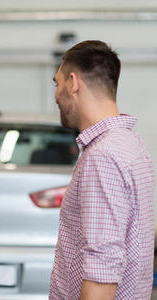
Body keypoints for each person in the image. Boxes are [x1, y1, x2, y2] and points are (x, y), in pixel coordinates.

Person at [49, 40, 155, 299]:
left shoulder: (102, 157)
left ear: (73, 83)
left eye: (57, 83)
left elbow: (102, 270)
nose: (56, 94)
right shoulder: (133, 145)